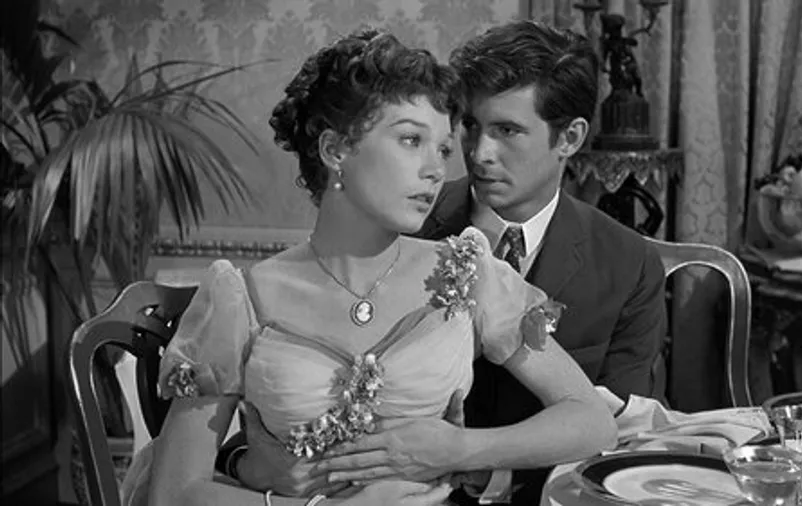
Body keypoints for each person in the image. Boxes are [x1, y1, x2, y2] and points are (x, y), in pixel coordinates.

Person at [123, 27, 618, 506]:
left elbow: (591, 421)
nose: (435, 169)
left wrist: (462, 449)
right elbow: (174, 493)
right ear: (336, 149)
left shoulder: (464, 273)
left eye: (444, 149)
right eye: (411, 140)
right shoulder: (242, 297)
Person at [296, 20, 669, 505]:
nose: (479, 153)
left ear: (570, 138)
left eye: (507, 130)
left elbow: (622, 437)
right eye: (471, 126)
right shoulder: (398, 225)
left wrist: (466, 456)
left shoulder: (629, 262)